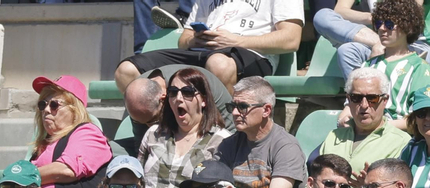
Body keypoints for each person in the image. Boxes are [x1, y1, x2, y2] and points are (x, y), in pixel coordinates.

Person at [113, 0, 302, 111]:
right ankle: (162, 130)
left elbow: (291, 39)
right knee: (126, 71)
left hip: (251, 53)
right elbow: (184, 38)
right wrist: (195, 40)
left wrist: (235, 41)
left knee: (219, 63)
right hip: (203, 51)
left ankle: (224, 132)